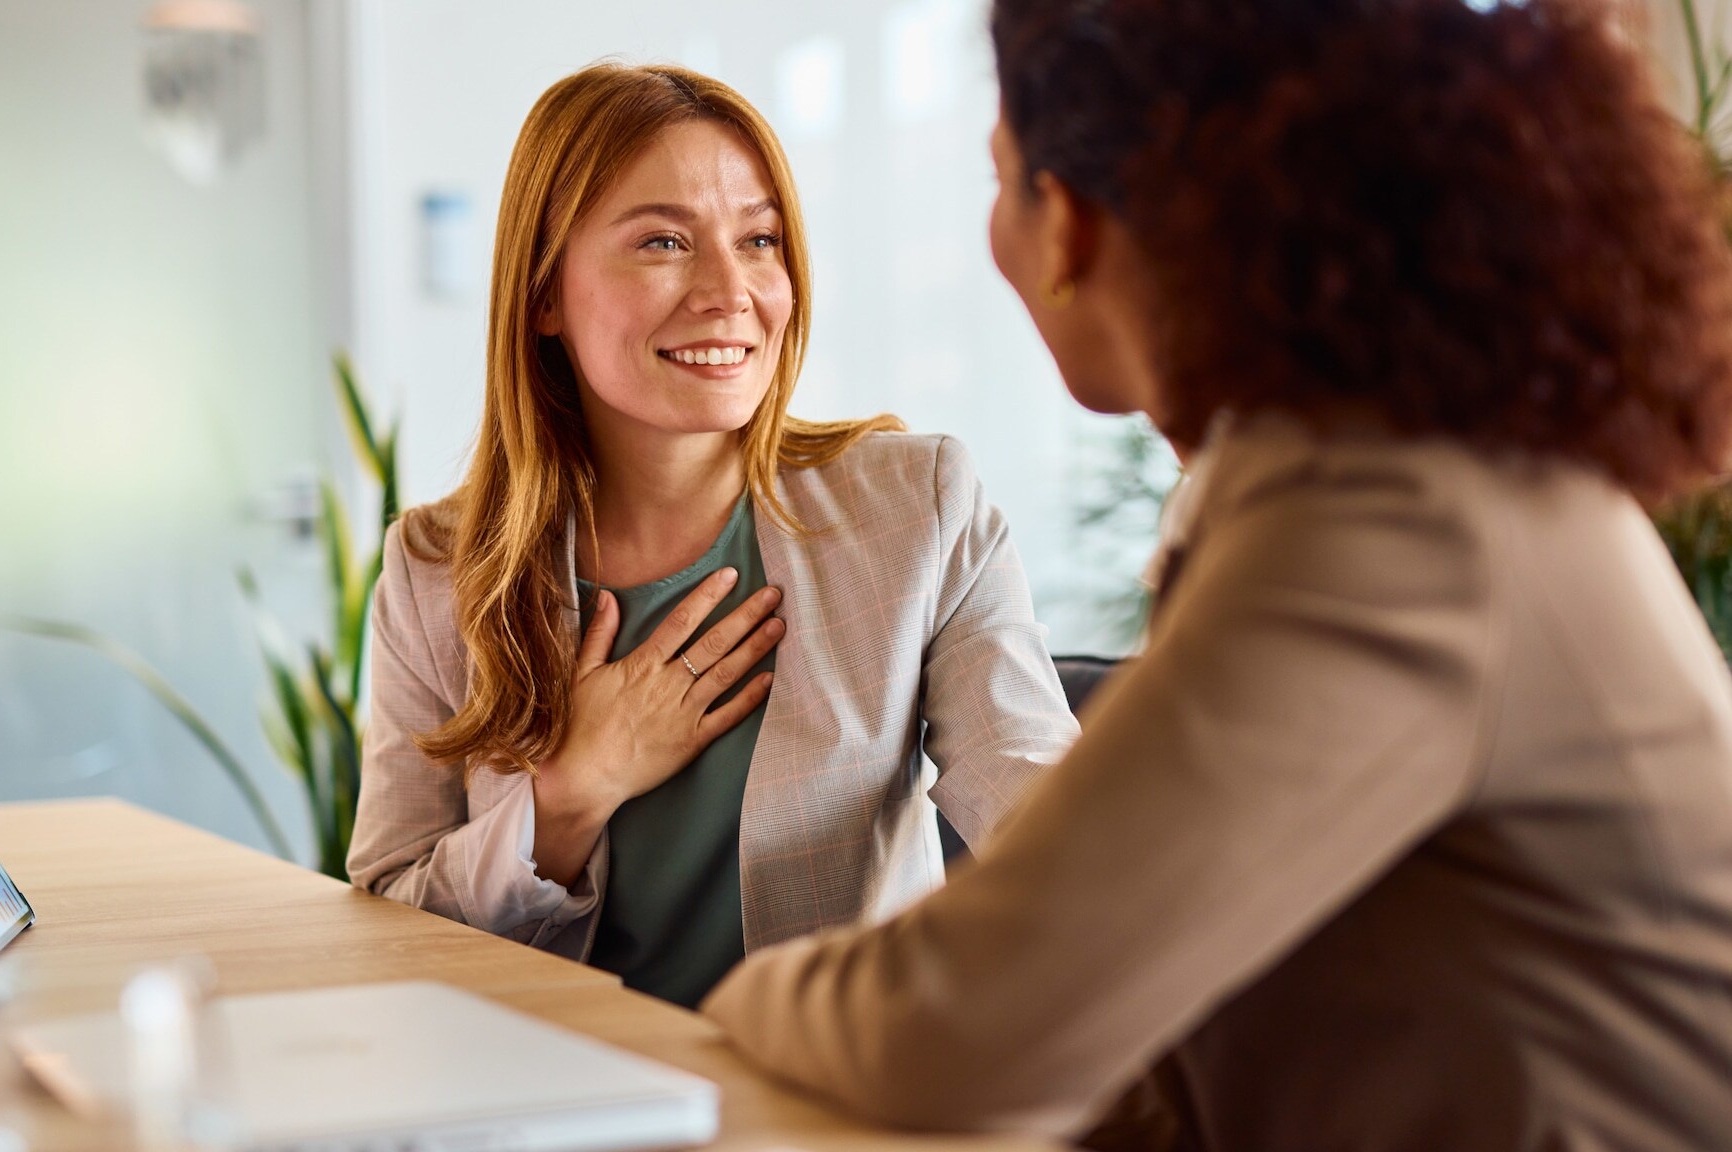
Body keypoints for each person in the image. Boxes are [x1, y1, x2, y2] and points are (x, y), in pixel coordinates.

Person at [699, 1, 1732, 1148]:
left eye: (1000, 179)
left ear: (1071, 224)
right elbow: (1197, 1049)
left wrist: (724, 1002)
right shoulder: (1403, 473)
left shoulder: (1387, 524)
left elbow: (951, 1035)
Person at [345, 63, 1077, 1010]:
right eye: (663, 242)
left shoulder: (916, 508)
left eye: (760, 239)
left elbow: (1040, 802)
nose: (732, 292)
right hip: (554, 1096)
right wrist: (568, 796)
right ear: (543, 297)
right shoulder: (436, 573)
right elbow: (389, 931)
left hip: (821, 1098)